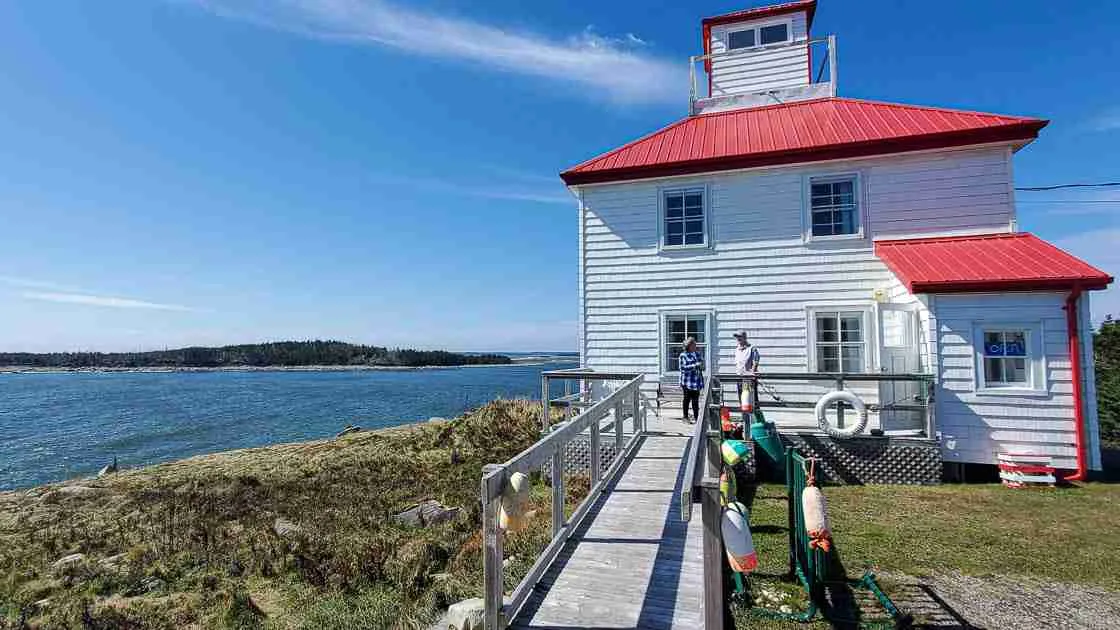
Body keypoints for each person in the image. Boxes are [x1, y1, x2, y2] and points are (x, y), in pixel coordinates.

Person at [733, 330, 760, 414]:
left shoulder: (752, 349)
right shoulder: (737, 349)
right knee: (743, 402)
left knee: (751, 402)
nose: (738, 339)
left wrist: (753, 374)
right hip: (739, 378)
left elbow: (755, 362)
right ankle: (745, 419)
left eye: (739, 337)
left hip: (748, 379)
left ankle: (755, 419)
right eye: (737, 337)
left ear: (744, 338)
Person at [678, 337, 704, 423]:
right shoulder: (683, 355)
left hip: (696, 381)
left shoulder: (697, 354)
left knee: (695, 400)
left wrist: (701, 365)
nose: (695, 346)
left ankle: (697, 418)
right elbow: (683, 368)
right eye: (694, 344)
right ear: (689, 346)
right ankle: (685, 417)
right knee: (687, 399)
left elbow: (701, 365)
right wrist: (695, 365)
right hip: (687, 382)